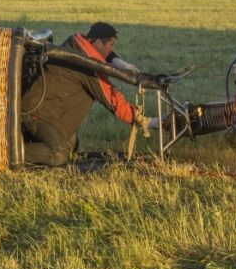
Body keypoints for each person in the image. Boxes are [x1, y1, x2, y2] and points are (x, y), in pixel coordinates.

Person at [20, 22, 147, 166]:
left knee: (71, 146)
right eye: (111, 45)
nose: (112, 49)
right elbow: (113, 100)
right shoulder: (88, 68)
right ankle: (9, 154)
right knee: (58, 154)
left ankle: (28, 144)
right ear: (98, 42)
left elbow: (103, 55)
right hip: (37, 113)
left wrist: (120, 62)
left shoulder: (76, 47)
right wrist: (144, 120)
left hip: (46, 110)